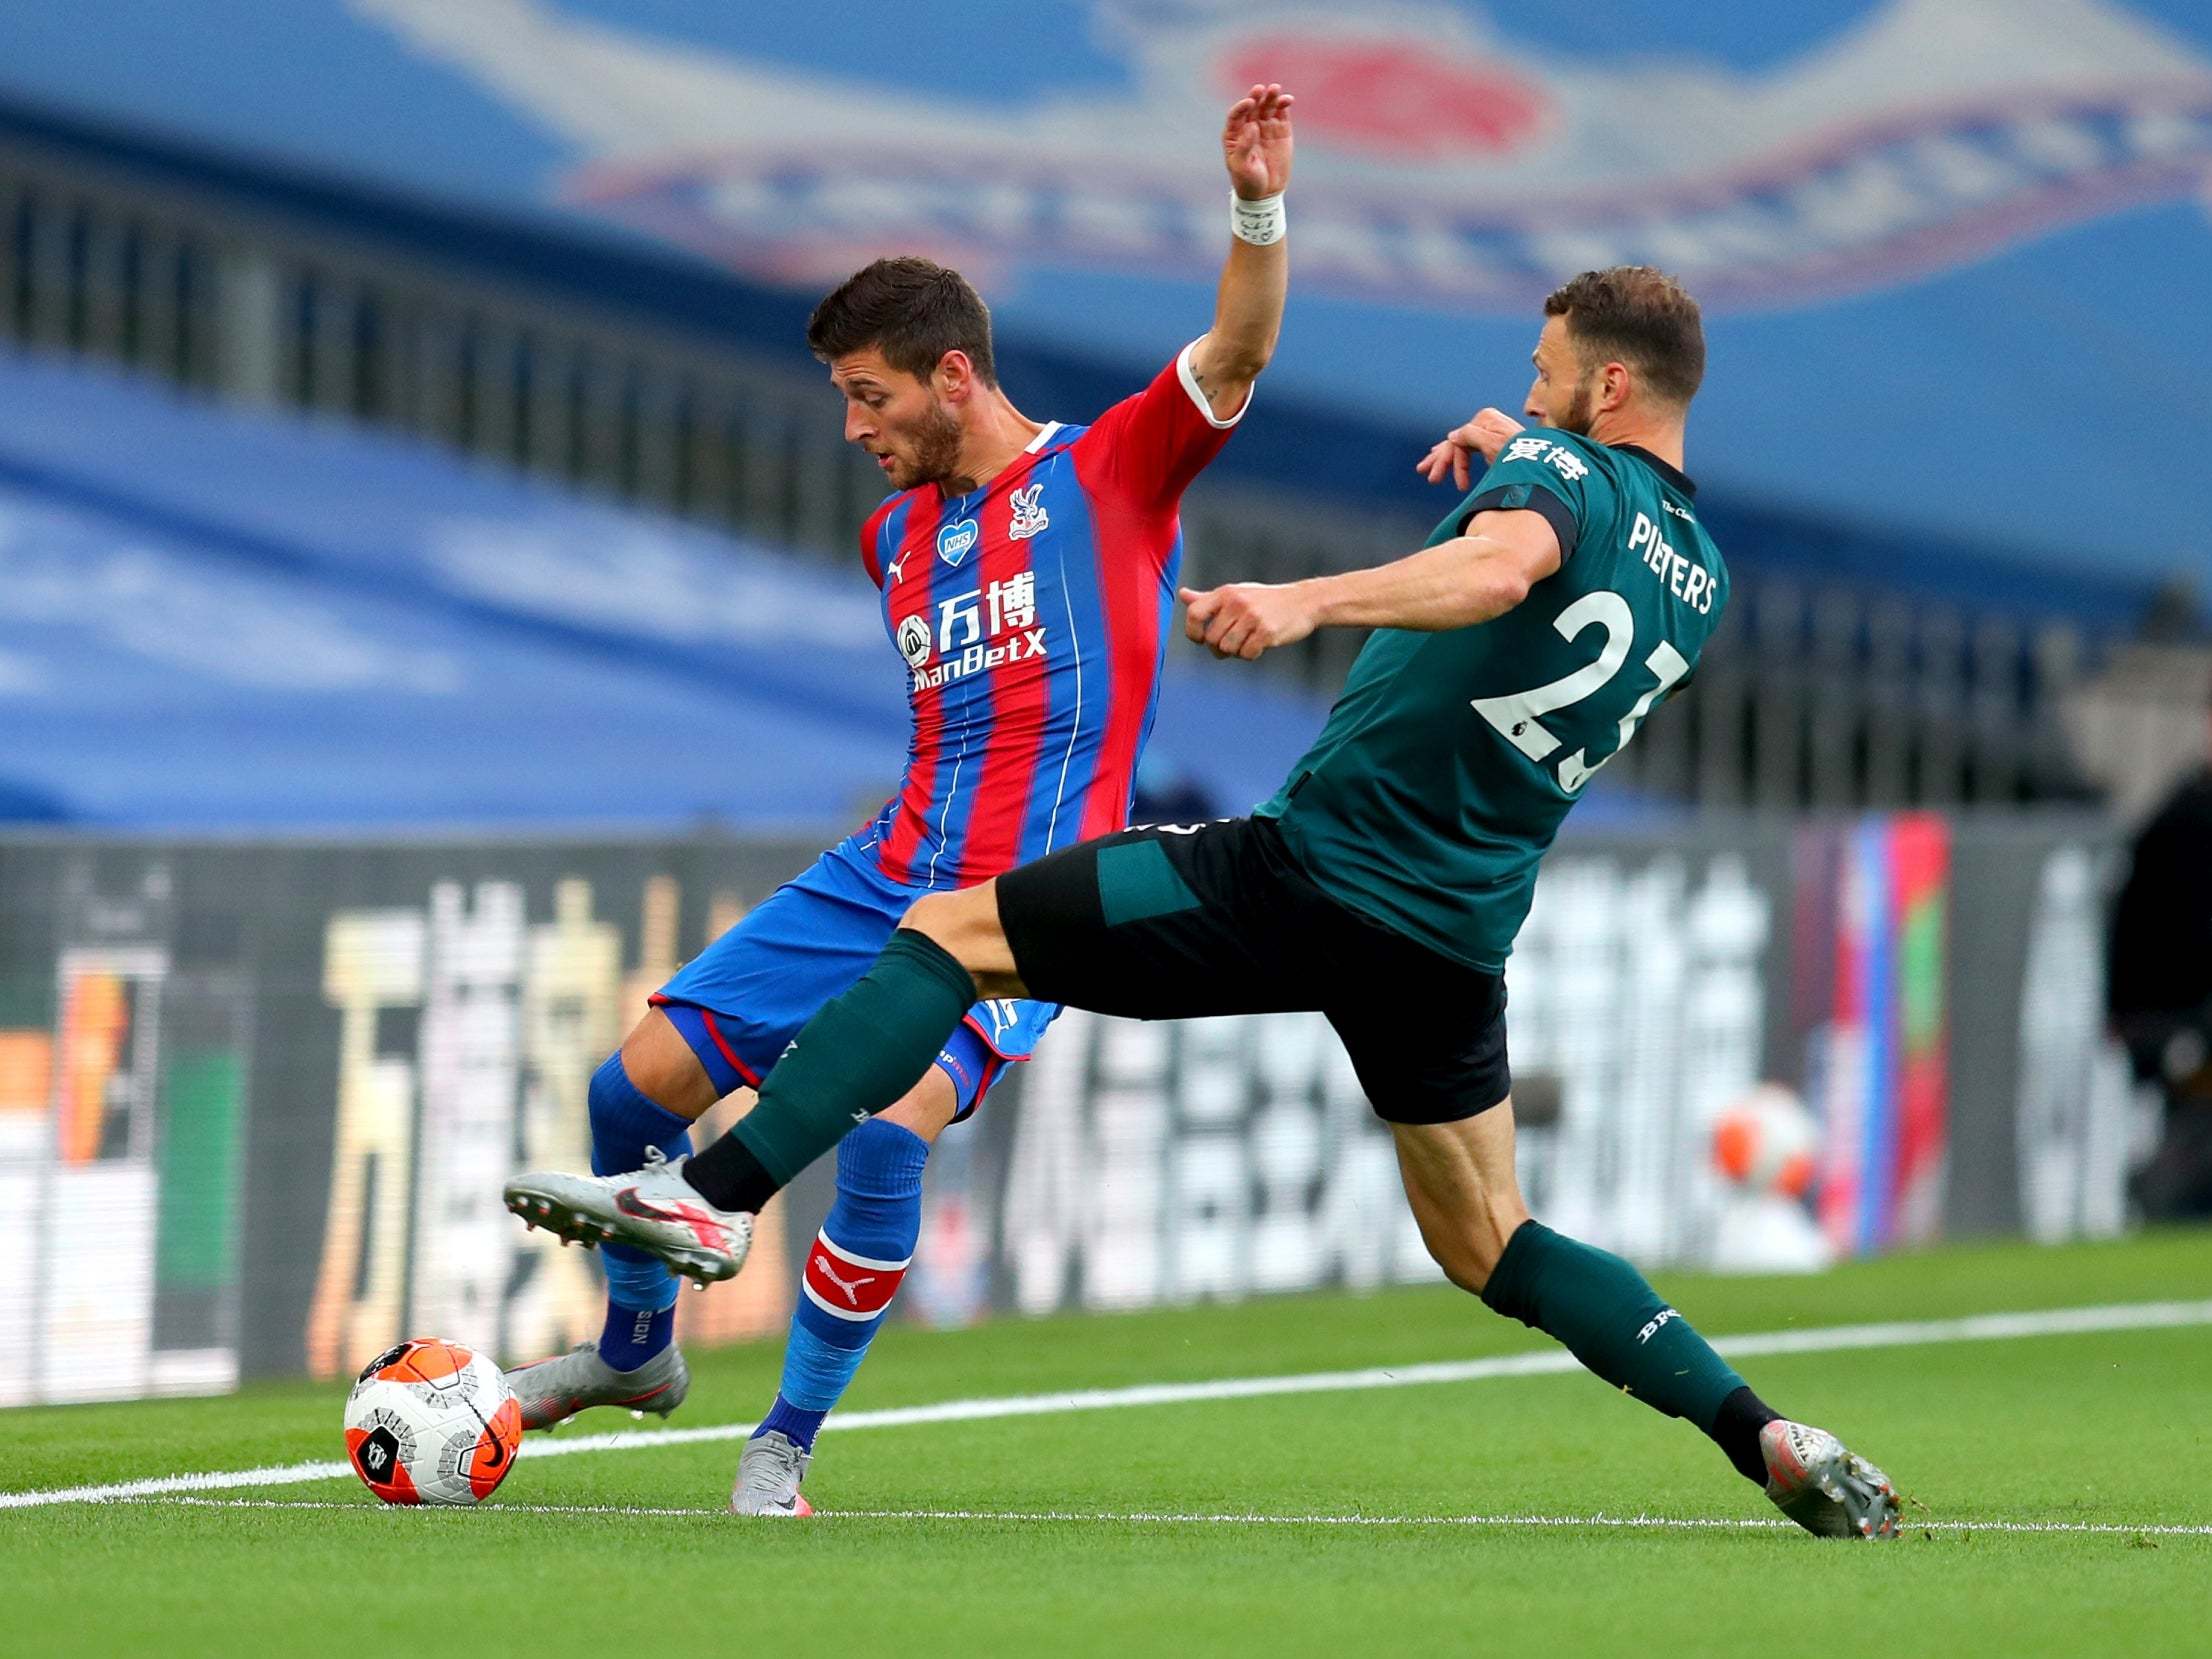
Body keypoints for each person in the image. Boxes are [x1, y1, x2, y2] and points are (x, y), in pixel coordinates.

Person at [507, 266, 1904, 1540]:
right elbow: (1567, 558)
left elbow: (1499, 567)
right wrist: (1537, 454)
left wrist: (1310, 598)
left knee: (948, 932)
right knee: (1493, 1239)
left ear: (1604, 389)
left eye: (1543, 371)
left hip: (1312, 873)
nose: (1523, 391)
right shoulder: (1701, 572)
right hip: (1455, 933)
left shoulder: (1550, 473)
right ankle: (1764, 1431)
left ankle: (711, 1195)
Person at [501, 85, 1296, 1518]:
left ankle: (785, 1440)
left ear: (953, 375)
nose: (856, 428)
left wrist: (1254, 204)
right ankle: (636, 1357)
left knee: (884, 1121)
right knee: (631, 1089)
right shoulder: (895, 538)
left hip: (1023, 902)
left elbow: (1237, 347)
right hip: (887, 867)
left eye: (870, 396)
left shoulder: (1110, 474)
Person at [2107, 686, 2212, 1218]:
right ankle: (2155, 1202)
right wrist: (2130, 1018)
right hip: (2177, 1022)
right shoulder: (2181, 820)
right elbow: (2139, 931)